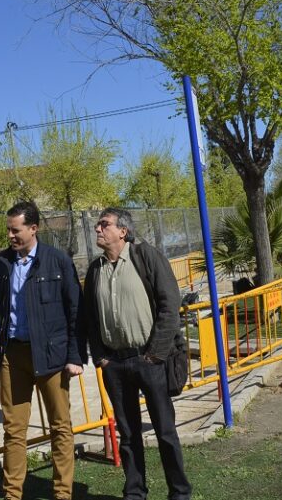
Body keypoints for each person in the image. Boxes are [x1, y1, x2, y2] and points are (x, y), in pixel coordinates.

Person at [83, 207, 191, 500]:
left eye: (104, 224)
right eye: (97, 225)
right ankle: (135, 492)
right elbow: (90, 318)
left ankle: (179, 493)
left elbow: (170, 306)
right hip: (115, 365)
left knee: (165, 432)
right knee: (128, 435)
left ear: (123, 230)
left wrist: (156, 354)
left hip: (149, 360)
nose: (98, 230)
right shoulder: (95, 270)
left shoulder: (147, 257)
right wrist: (101, 357)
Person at [0, 201, 84, 500]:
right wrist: (0, 351)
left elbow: (75, 311)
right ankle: (12, 494)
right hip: (14, 357)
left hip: (52, 357)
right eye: (8, 230)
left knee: (60, 427)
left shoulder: (57, 261)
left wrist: (74, 356)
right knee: (14, 430)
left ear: (34, 228)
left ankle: (62, 494)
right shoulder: (2, 263)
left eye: (15, 230)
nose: (10, 236)